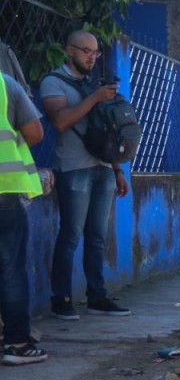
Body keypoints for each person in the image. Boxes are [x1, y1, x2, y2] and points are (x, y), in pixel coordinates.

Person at [40, 30, 131, 320]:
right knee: (71, 235)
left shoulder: (95, 84)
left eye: (96, 52)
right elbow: (60, 121)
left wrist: (118, 170)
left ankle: (97, 296)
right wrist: (93, 98)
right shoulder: (53, 82)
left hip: (103, 168)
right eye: (85, 51)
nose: (91, 57)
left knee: (97, 237)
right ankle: (61, 299)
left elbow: (108, 130)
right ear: (69, 50)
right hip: (73, 167)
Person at [1, 72, 48, 365]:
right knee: (10, 269)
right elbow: (35, 133)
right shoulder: (5, 83)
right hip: (4, 190)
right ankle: (17, 344)